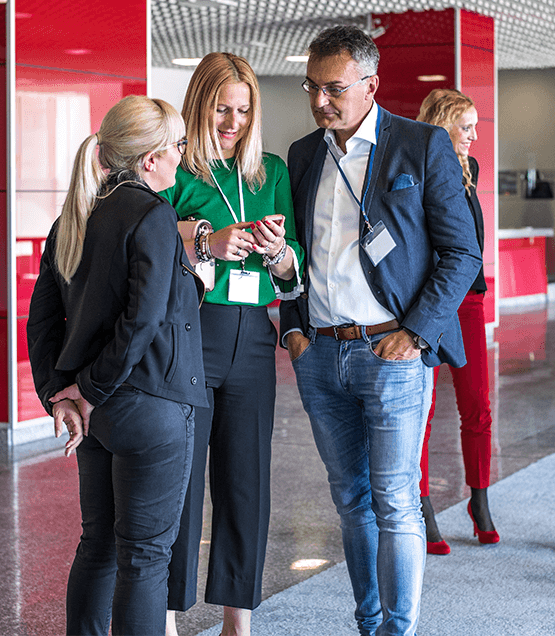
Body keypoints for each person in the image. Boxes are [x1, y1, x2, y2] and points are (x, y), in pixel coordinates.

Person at [281, 26, 481, 635]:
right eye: (312, 88)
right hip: (320, 354)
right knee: (351, 502)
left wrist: (416, 333)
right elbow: (294, 249)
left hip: (392, 351)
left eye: (333, 89)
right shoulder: (303, 154)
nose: (320, 101)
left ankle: (398, 629)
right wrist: (294, 328)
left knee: (395, 503)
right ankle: (368, 623)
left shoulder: (420, 146)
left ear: (370, 84)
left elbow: (462, 254)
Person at [27, 95, 208, 635]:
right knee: (145, 558)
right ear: (150, 159)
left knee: (99, 544)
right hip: (148, 405)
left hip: (97, 416)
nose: (183, 156)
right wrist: (90, 390)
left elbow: (43, 320)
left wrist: (61, 394)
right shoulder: (152, 213)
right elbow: (142, 323)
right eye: (177, 146)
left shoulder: (75, 215)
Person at [162, 52, 304, 636]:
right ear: (200, 104)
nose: (233, 120)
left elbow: (293, 267)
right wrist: (204, 239)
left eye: (244, 110)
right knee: (182, 479)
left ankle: (237, 620)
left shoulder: (269, 170)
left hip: (252, 336)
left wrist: (277, 252)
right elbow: (148, 239)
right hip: (193, 330)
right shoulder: (177, 171)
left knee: (246, 480)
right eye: (222, 108)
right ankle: (167, 613)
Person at [415, 89, 499, 554]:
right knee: (422, 411)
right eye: (466, 126)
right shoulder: (417, 166)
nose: (473, 135)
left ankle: (479, 501)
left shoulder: (472, 172)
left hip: (469, 299)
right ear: (444, 124)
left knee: (477, 405)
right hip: (430, 301)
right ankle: (423, 505)